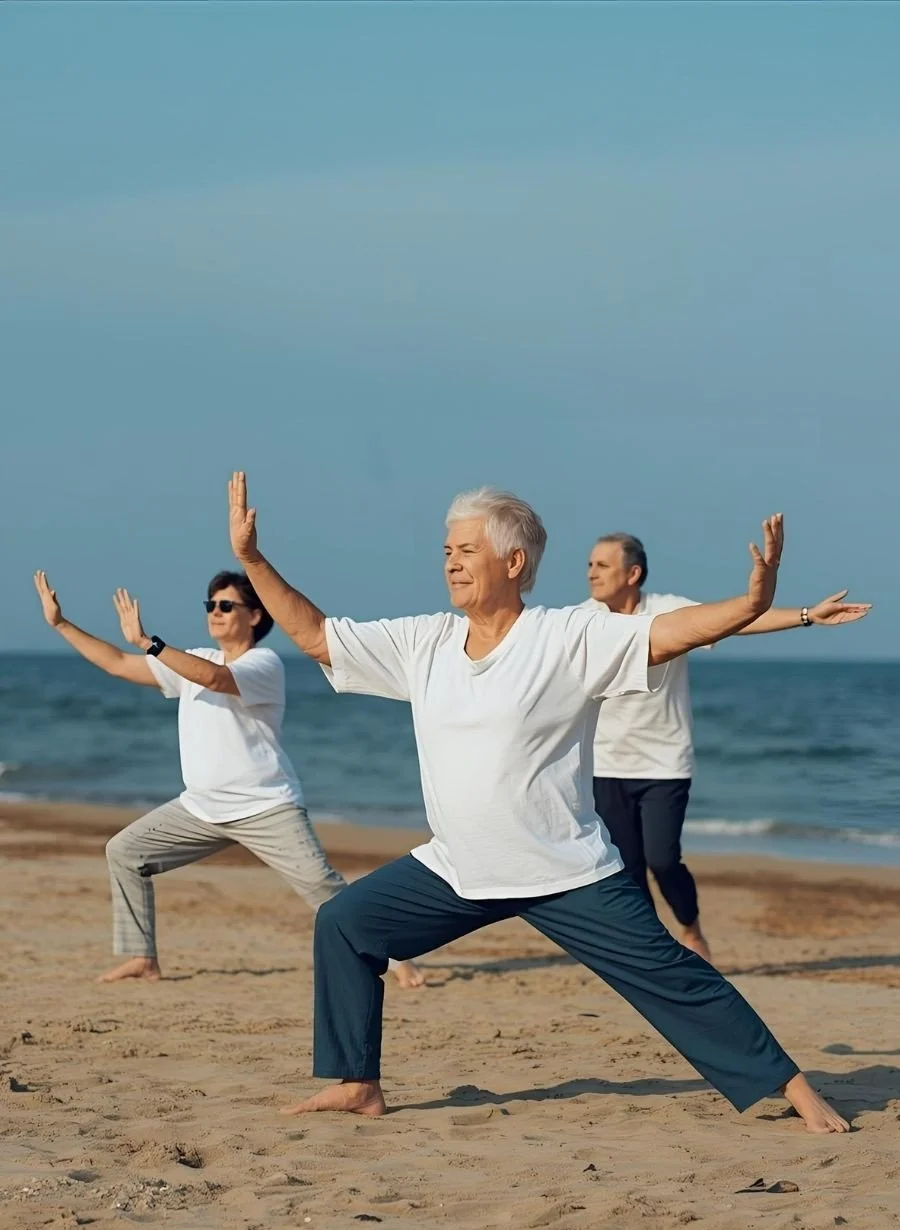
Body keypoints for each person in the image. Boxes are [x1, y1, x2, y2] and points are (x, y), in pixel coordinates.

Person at [226, 471, 849, 1133]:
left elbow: (673, 632)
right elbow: (321, 638)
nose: (451, 562)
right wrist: (253, 561)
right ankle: (358, 1084)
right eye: (446, 551)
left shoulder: (566, 637)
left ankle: (795, 1088)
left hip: (565, 870)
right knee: (346, 923)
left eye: (466, 550)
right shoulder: (425, 642)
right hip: (458, 869)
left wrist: (754, 602)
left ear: (513, 562)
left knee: (672, 976)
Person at [32, 567, 423, 989]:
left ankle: (396, 956)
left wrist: (150, 643)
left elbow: (216, 679)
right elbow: (117, 664)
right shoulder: (196, 660)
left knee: (323, 888)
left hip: (265, 807)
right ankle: (142, 959)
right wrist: (61, 625)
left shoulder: (264, 663)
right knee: (124, 852)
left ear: (254, 616)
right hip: (200, 809)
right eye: (210, 606)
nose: (215, 613)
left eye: (225, 605)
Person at [585, 533, 871, 963]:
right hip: (605, 764)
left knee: (663, 860)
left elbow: (738, 619)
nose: (591, 573)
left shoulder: (667, 612)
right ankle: (655, 951)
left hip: (664, 763)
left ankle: (690, 927)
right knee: (627, 869)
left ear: (633, 574)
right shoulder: (583, 620)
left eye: (602, 565)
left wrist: (809, 615)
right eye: (590, 565)